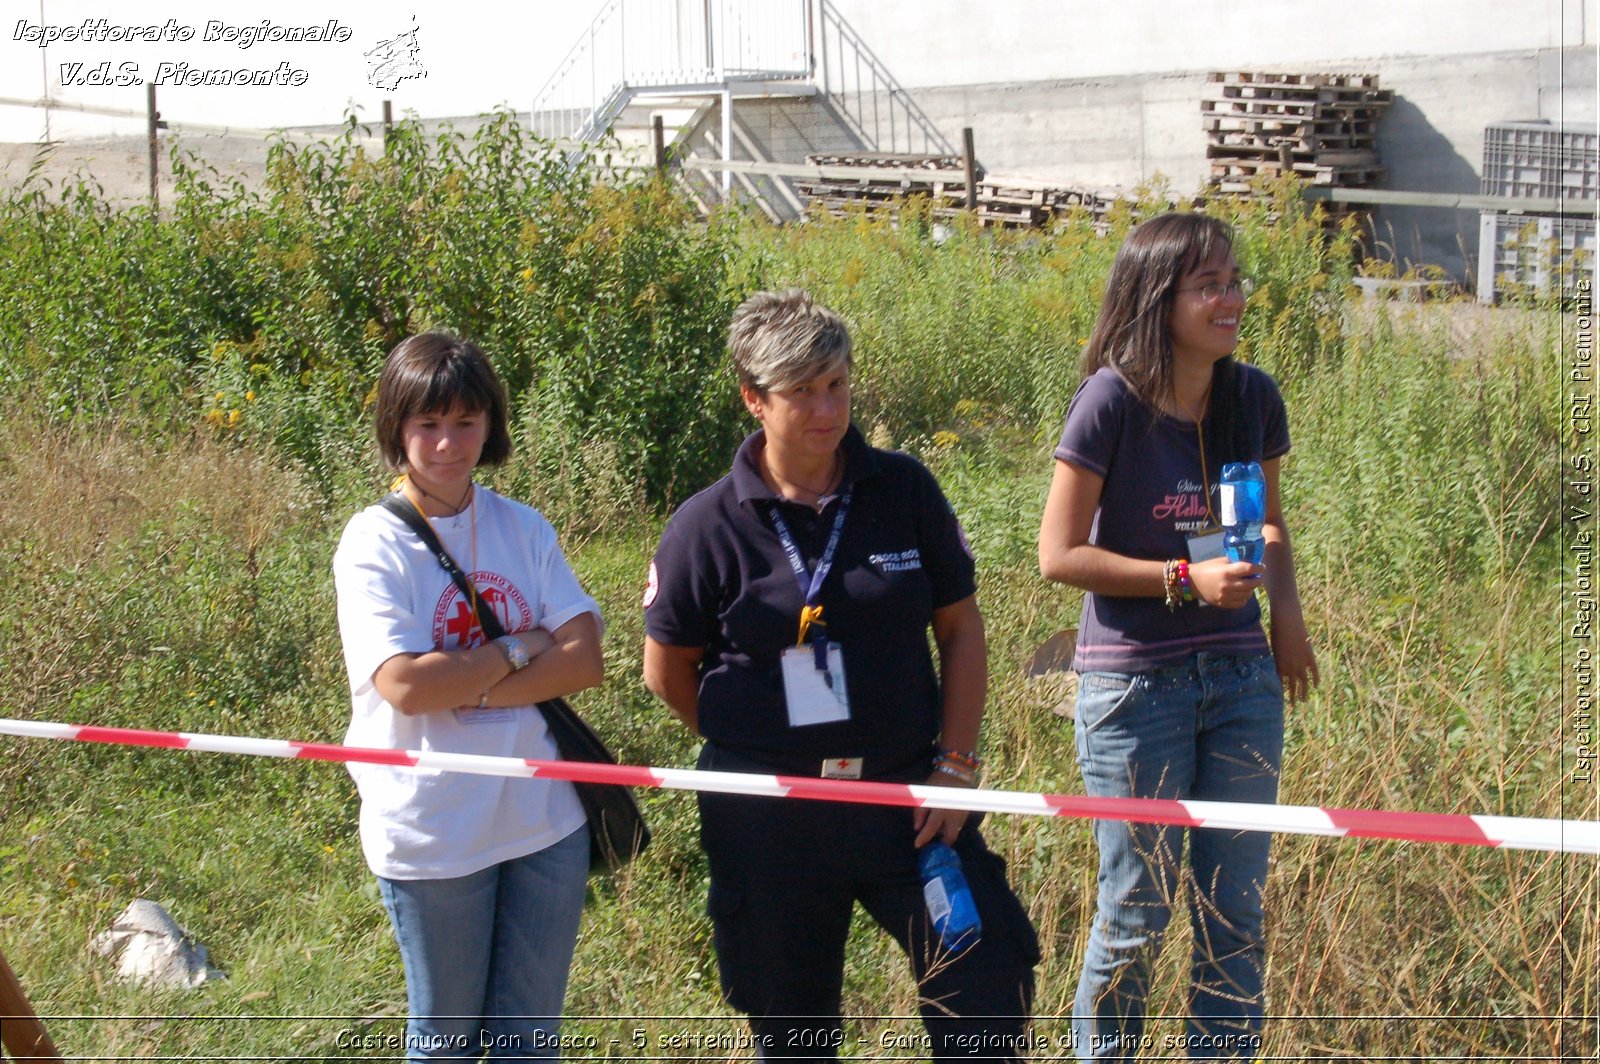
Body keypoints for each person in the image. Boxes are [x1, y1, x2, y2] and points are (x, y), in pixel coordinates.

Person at [643, 288, 1039, 1062]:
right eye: (802, 392)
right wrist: (757, 749)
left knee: (986, 997)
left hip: (907, 799)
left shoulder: (904, 490)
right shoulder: (706, 525)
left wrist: (955, 767)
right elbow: (667, 672)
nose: (828, 410)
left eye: (839, 385)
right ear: (754, 399)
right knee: (794, 1037)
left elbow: (960, 629)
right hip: (772, 818)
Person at [1037, 212, 1319, 1061]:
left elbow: (1266, 525)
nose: (1231, 299)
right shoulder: (1110, 402)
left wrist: (1288, 624)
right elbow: (1058, 555)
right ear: (1159, 299)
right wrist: (1178, 578)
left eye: (1234, 281)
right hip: (1135, 691)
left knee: (1234, 914)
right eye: (1209, 285)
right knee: (1135, 916)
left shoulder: (1251, 396)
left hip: (1239, 682)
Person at [333, 332, 604, 1060]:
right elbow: (408, 687)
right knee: (444, 1041)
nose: (448, 444)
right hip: (434, 830)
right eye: (427, 424)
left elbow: (585, 659)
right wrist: (518, 648)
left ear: (490, 426)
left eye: (465, 422)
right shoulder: (373, 544)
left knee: (529, 1042)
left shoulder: (524, 527)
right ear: (396, 429)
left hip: (545, 822)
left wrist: (473, 684)